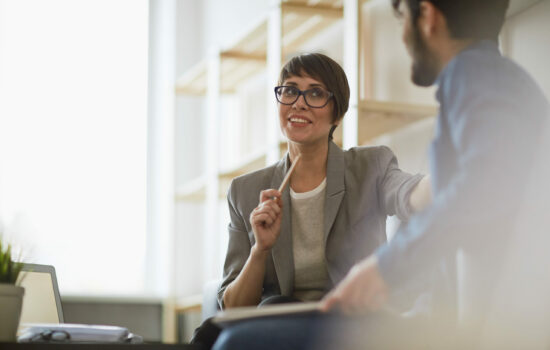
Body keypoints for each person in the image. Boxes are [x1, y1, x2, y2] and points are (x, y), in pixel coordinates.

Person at [212, 0, 550, 349]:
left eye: (402, 17)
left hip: (463, 320)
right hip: (468, 312)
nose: (403, 35)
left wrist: (384, 269)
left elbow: (471, 190)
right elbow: (475, 188)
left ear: (429, 16)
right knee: (237, 334)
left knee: (235, 343)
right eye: (289, 91)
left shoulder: (473, 76)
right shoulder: (493, 79)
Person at [192, 53, 431, 349]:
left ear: (337, 114)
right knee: (211, 334)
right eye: (290, 90)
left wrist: (450, 182)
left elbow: (408, 192)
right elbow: (233, 308)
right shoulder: (245, 190)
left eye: (316, 93)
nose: (299, 102)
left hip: (350, 316)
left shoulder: (371, 166)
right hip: (278, 317)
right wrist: (260, 249)